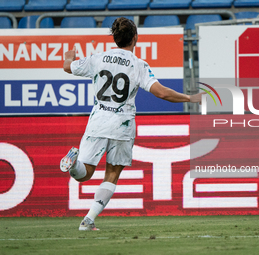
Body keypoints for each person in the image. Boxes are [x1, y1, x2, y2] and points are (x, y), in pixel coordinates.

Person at [60, 17, 203, 231]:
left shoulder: (98, 58)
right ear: (135, 38)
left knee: (85, 173)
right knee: (112, 174)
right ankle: (88, 220)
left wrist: (68, 57)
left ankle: (73, 166)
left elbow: (68, 67)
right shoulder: (138, 65)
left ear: (115, 38)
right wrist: (190, 98)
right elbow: (162, 93)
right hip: (122, 124)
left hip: (98, 120)